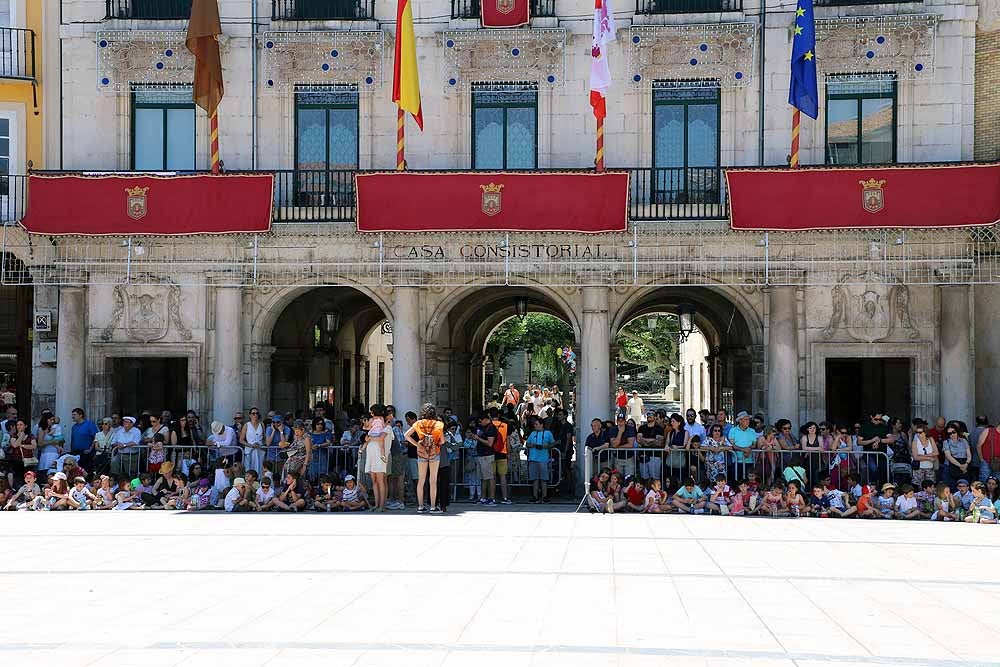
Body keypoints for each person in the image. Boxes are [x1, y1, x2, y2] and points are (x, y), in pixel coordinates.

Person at [405, 404, 445, 513]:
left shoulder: (418, 423)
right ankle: (433, 507)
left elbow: (406, 435)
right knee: (433, 480)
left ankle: (421, 506)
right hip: (434, 453)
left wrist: (417, 444)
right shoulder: (438, 424)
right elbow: (442, 441)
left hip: (421, 453)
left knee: (421, 480)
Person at [361, 404, 389, 512]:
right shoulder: (382, 420)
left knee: (379, 480)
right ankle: (378, 505)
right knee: (376, 480)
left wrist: (365, 423)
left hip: (376, 448)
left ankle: (381, 505)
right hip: (372, 448)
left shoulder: (375, 419)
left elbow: (365, 427)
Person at [525, 418, 555, 503]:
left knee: (544, 479)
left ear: (542, 425)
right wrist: (533, 445)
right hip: (533, 458)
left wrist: (547, 446)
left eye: (537, 424)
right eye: (535, 424)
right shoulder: (532, 433)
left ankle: (544, 496)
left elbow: (553, 443)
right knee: (534, 479)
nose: (535, 425)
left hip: (543, 459)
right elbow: (527, 444)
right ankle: (535, 496)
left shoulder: (548, 433)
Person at [471, 412, 497, 506]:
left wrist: (478, 438)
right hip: (481, 454)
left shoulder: (491, 428)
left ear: (486, 419)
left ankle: (492, 498)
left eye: (481, 421)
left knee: (490, 477)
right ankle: (483, 497)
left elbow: (490, 443)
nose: (480, 423)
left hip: (488, 455)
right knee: (483, 478)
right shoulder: (482, 427)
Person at [728, 411, 757, 482]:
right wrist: (744, 450)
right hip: (737, 460)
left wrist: (749, 449)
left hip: (749, 461)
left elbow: (754, 444)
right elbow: (732, 445)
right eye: (746, 419)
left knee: (748, 482)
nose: (748, 421)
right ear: (740, 421)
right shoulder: (733, 430)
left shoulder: (752, 431)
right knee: (737, 481)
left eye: (748, 420)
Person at [240, 408, 265, 477]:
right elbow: (241, 440)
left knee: (260, 469)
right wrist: (251, 445)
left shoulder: (262, 424)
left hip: (260, 450)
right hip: (250, 450)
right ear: (250, 415)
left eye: (257, 413)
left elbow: (264, 438)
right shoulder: (246, 425)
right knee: (249, 469)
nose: (255, 415)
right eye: (253, 413)